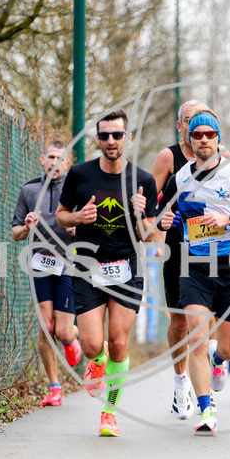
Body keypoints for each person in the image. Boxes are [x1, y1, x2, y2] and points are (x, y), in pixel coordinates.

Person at [158, 111, 230, 435]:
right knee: (196, 336)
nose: (204, 140)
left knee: (228, 348)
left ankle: (218, 363)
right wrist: (165, 221)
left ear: (218, 138)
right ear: (190, 141)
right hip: (194, 267)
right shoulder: (180, 177)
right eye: (198, 135)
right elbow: (167, 212)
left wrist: (229, 221)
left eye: (210, 134)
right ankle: (206, 408)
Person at [56, 109, 158, 437]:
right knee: (90, 344)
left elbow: (148, 235)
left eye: (117, 135)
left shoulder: (143, 180)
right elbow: (60, 216)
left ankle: (110, 412)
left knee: (118, 341)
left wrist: (142, 215)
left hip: (126, 269)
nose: (111, 141)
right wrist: (79, 218)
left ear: (128, 138)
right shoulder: (80, 175)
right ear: (97, 139)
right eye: (104, 135)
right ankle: (95, 360)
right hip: (86, 268)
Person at [150, 100, 230, 419]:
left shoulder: (223, 157)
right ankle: (180, 383)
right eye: (187, 122)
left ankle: (208, 368)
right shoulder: (168, 157)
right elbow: (155, 206)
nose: (196, 130)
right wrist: (157, 234)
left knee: (208, 318)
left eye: (206, 126)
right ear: (180, 126)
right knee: (180, 321)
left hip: (213, 247)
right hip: (177, 248)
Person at [11, 140, 83, 407]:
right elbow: (16, 233)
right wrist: (28, 227)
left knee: (63, 331)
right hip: (40, 263)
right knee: (45, 326)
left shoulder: (76, 190)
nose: (54, 162)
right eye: (50, 157)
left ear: (67, 164)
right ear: (43, 160)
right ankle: (55, 387)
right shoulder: (29, 190)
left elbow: (92, 223)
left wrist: (80, 229)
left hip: (69, 263)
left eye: (60, 158)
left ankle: (71, 340)